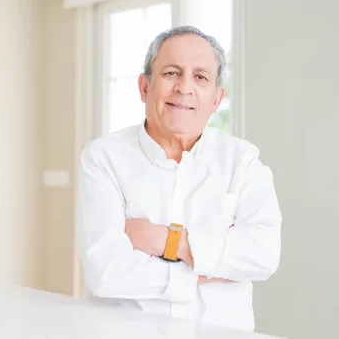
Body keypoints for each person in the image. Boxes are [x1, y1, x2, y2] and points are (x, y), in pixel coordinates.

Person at [77, 25, 282, 332]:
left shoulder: (243, 161)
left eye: (200, 77)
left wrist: (168, 241)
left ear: (216, 99)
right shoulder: (103, 158)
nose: (185, 88)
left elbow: (263, 255)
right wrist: (211, 266)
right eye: (171, 73)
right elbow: (106, 272)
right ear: (144, 87)